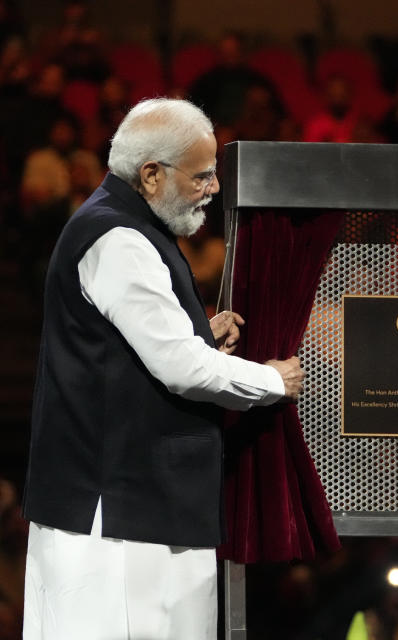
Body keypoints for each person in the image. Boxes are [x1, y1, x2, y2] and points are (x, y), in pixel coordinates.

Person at [21, 98, 305, 640]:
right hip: (120, 526)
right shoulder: (119, 238)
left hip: (132, 512)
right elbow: (180, 368)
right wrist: (271, 380)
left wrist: (199, 331)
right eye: (201, 175)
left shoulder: (122, 224)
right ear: (151, 174)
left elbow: (132, 348)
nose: (214, 188)